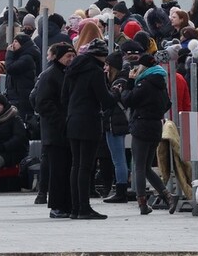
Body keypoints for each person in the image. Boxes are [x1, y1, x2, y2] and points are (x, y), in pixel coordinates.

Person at [62, 39, 116, 219]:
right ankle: (84, 208)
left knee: (75, 165)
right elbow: (105, 99)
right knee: (85, 166)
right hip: (89, 122)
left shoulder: (72, 70)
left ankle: (76, 208)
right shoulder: (95, 71)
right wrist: (115, 92)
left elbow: (64, 97)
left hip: (72, 121)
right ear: (101, 56)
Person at [117, 53, 177, 215]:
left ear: (143, 68)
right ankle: (168, 197)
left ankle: (142, 203)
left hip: (142, 126)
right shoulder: (160, 82)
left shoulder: (144, 83)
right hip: (156, 126)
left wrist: (129, 83)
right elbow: (167, 104)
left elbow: (128, 100)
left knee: (139, 167)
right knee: (146, 167)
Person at [33, 42, 77, 218]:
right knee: (57, 171)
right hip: (55, 131)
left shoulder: (68, 74)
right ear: (59, 57)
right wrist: (60, 121)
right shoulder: (50, 75)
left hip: (67, 130)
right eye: (68, 56)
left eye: (73, 56)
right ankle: (57, 206)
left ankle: (67, 205)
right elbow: (42, 102)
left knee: (66, 169)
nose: (71, 59)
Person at [100, 51, 130, 204]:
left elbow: (110, 101)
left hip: (115, 124)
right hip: (118, 122)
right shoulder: (121, 79)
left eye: (107, 65)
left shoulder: (118, 82)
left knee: (118, 159)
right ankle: (121, 188)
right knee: (119, 159)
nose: (104, 68)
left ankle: (121, 191)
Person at [5, 33, 42, 119]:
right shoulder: (20, 55)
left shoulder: (27, 58)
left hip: (21, 96)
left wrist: (9, 53)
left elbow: (10, 68)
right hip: (16, 94)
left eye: (16, 42)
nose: (13, 44)